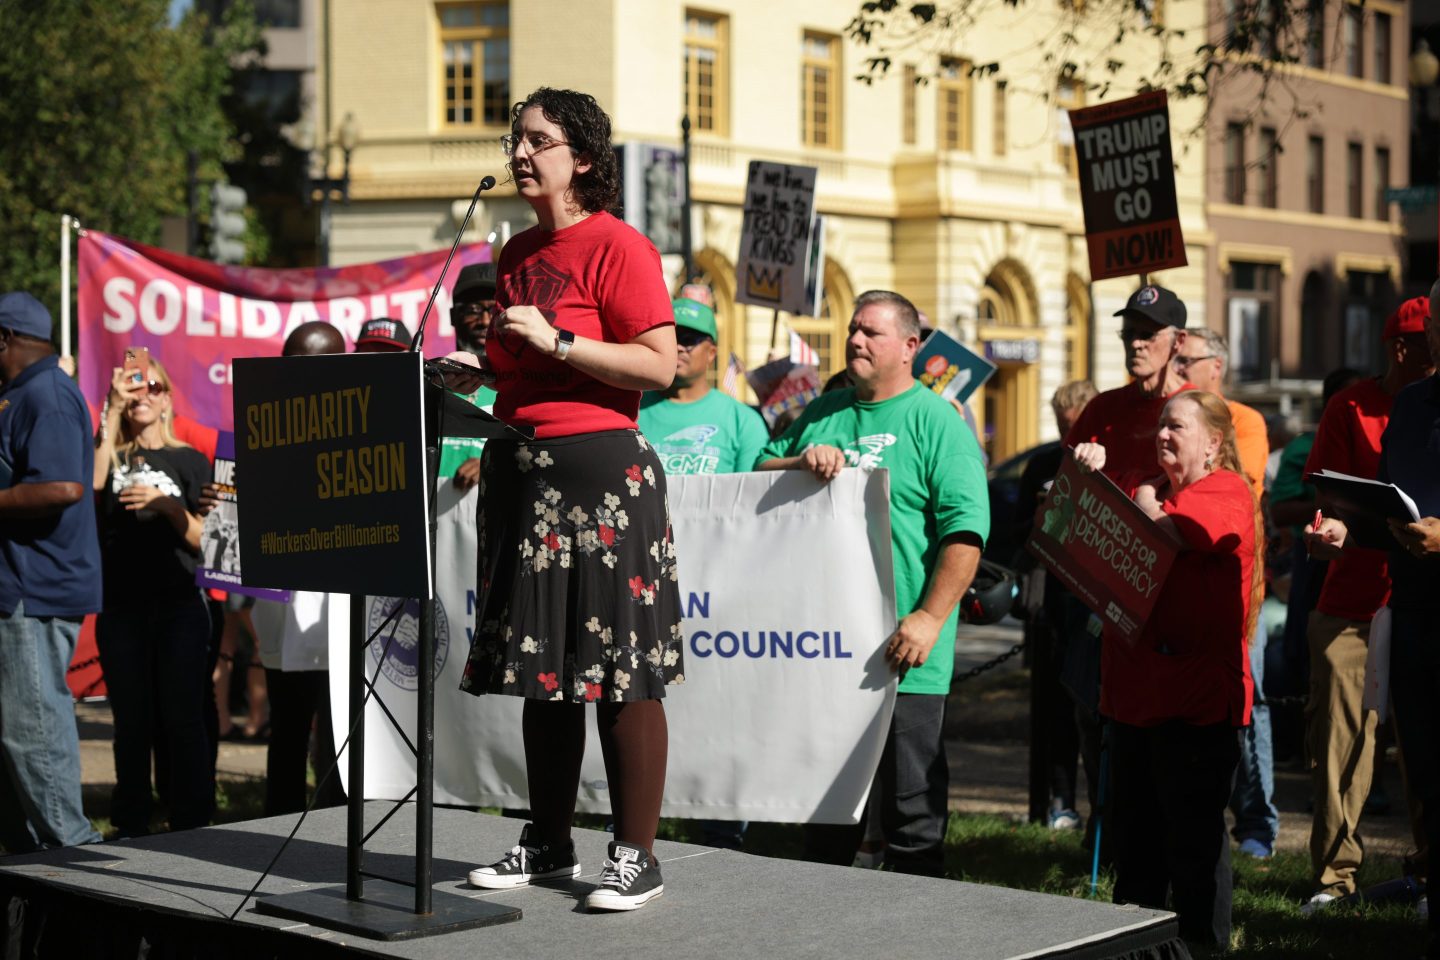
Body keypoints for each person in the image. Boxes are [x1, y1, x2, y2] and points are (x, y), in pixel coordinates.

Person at [458, 87, 682, 913]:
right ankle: (549, 841)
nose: (520, 153)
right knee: (540, 667)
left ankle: (635, 856)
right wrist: (473, 374)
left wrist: (559, 339)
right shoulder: (513, 252)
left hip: (601, 478)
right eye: (516, 139)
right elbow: (524, 371)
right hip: (521, 469)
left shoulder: (619, 246)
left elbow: (658, 367)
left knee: (620, 668)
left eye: (538, 141)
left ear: (582, 158)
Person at [757, 289, 989, 876]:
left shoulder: (938, 422)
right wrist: (799, 461)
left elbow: (965, 533)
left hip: (905, 653)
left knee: (911, 819)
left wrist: (931, 617)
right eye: (853, 330)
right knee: (828, 820)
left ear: (911, 347)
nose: (855, 341)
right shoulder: (824, 410)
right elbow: (757, 471)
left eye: (871, 333)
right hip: (827, 652)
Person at [1073, 389, 1260, 945]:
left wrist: (1148, 494)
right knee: (1137, 848)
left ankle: (1202, 948)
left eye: (1176, 427)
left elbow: (1162, 535)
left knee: (1193, 849)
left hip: (1194, 706)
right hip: (1135, 699)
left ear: (1214, 443)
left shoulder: (1225, 490)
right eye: (1159, 425)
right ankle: (1135, 949)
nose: (1162, 435)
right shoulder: (1152, 485)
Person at [1308, 279, 1440, 955]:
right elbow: (1365, 504)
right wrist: (1340, 530)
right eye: (1431, 337)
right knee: (1377, 752)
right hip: (1380, 603)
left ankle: (1425, 882)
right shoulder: (1386, 407)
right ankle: (1349, 877)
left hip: (1421, 600)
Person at [1061, 284, 1194, 853]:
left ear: (1177, 341)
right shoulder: (1103, 409)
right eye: (1129, 333)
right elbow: (1062, 496)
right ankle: (1108, 833)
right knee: (1094, 715)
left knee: (1159, 729)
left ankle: (1157, 843)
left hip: (1168, 595)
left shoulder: (1194, 412)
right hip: (1098, 591)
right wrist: (1079, 465)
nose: (1136, 343)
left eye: (1149, 334)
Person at [0, 292, 104, 854]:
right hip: (15, 591)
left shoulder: (48, 395)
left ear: (4, 339)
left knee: (34, 731)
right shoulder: (18, 394)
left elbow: (63, 486)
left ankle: (78, 859)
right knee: (15, 739)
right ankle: (32, 868)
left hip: (33, 593)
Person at [92, 355, 212, 836]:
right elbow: (90, 489)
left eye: (153, 387)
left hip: (180, 603)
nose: (144, 396)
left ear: (168, 398)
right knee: (132, 722)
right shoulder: (108, 454)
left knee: (182, 718)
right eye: (133, 388)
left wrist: (163, 503)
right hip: (122, 606)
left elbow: (206, 540)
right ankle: (132, 821)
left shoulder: (189, 459)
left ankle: (192, 819)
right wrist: (111, 412)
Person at [1174, 327, 1276, 858]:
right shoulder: (1172, 416)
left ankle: (1257, 823)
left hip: (1241, 591)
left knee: (1246, 699)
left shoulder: (1245, 422)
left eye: (1185, 361)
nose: (1177, 370)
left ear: (1214, 365)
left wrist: (1159, 504)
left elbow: (1240, 482)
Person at [251, 320, 349, 815]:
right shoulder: (261, 425)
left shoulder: (361, 430)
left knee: (339, 739)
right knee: (287, 731)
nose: (302, 377)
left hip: (340, 616)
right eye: (292, 366)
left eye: (316, 367)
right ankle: (279, 825)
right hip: (281, 609)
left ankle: (335, 832)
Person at [1013, 379, 1097, 830]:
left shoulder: (1108, 461)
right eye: (1062, 427)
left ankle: (1102, 808)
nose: (1069, 438)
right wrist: (1041, 513)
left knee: (1092, 710)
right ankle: (1057, 801)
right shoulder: (1043, 462)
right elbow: (1015, 529)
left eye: (1076, 427)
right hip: (1050, 596)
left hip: (1090, 600)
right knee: (1053, 711)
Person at [638, 297, 768, 478]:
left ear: (711, 353)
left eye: (688, 339)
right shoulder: (629, 410)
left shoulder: (744, 422)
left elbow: (747, 496)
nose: (677, 347)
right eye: (670, 338)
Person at [441, 263, 500, 491]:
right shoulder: (431, 382)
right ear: (454, 316)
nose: (485, 321)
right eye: (474, 310)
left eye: (494, 311)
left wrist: (489, 464)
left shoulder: (521, 387)